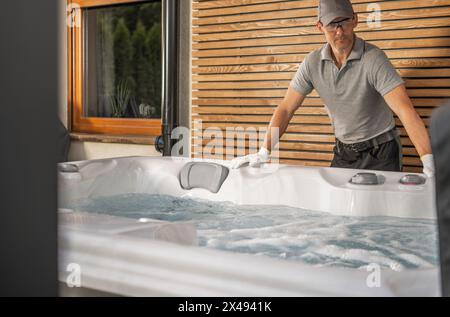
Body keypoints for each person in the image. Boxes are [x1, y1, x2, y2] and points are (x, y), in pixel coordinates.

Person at [231, 0, 434, 177]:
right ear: (319, 26)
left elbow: (404, 109)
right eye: (332, 24)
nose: (339, 31)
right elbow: (286, 108)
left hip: (381, 152)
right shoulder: (312, 63)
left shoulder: (373, 59)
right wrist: (264, 151)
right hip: (344, 153)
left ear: (355, 19)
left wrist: (429, 162)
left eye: (344, 21)